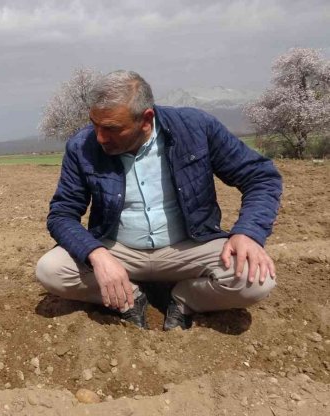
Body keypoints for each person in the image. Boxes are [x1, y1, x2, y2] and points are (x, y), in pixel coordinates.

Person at [36, 71, 282, 330]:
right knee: (51, 271)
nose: (100, 137)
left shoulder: (196, 128)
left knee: (256, 282)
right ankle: (129, 297)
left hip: (189, 245)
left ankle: (186, 298)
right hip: (118, 250)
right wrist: (97, 254)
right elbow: (62, 214)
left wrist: (248, 233)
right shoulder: (82, 146)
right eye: (95, 125)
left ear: (146, 119)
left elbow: (260, 177)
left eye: (111, 129)